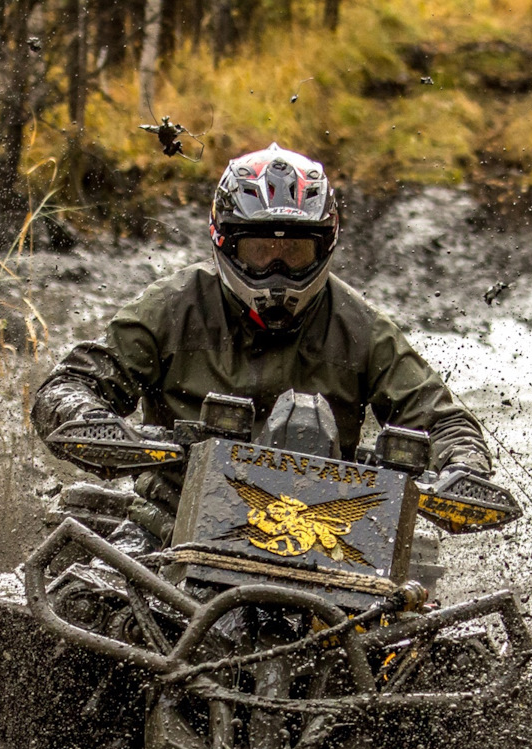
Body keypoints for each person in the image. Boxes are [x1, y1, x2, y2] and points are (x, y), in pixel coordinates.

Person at [29, 144, 494, 537]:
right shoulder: (175, 305)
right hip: (169, 531)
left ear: (324, 244)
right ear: (225, 242)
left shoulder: (362, 327)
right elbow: (69, 383)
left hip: (326, 541)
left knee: (439, 642)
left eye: (293, 250)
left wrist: (462, 467)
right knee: (71, 608)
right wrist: (96, 424)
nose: (276, 268)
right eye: (259, 249)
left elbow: (443, 421)